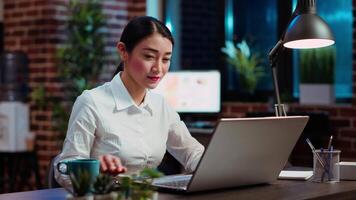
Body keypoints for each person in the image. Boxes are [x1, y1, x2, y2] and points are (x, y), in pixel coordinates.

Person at [54, 16, 204, 189]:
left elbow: (192, 152)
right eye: (149, 57)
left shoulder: (160, 105)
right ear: (123, 51)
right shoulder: (92, 102)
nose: (158, 68)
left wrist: (222, 167)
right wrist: (94, 169)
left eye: (165, 59)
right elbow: (63, 170)